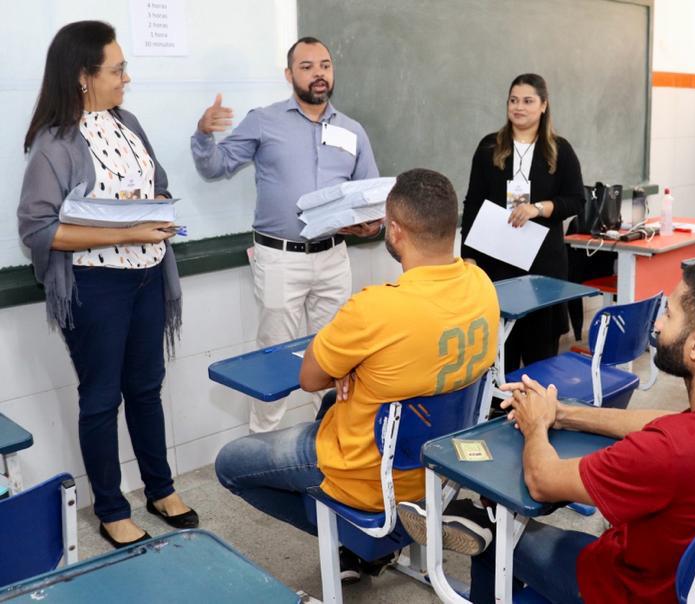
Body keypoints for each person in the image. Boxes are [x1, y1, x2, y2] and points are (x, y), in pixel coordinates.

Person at [401, 261, 695, 603]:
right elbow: (665, 424)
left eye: (670, 315)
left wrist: (537, 423)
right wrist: (564, 413)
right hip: (692, 586)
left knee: (495, 524)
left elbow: (542, 481)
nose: (657, 324)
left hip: (623, 589)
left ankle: (479, 522)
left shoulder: (668, 452)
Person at [215, 169, 499, 584]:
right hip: (439, 463)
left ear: (397, 231)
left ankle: (361, 536)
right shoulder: (481, 284)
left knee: (230, 463)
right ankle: (383, 534)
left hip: (364, 470)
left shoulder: (375, 309)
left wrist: (346, 369)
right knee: (333, 404)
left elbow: (311, 376)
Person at [18, 21, 197, 549]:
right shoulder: (56, 143)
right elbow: (38, 230)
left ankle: (160, 489)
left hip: (147, 278)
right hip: (95, 288)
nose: (126, 78)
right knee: (100, 399)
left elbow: (155, 185)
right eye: (117, 70)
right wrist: (127, 227)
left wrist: (157, 217)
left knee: (146, 389)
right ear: (82, 77)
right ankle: (112, 509)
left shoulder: (128, 122)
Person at [191, 36, 382, 433]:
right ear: (289, 74)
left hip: (333, 258)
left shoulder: (352, 130)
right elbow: (216, 167)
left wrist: (372, 225)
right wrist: (204, 135)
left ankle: (329, 441)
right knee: (275, 357)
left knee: (333, 354)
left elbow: (371, 197)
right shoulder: (264, 120)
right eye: (308, 66)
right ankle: (260, 445)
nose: (318, 74)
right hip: (281, 258)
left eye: (325, 65)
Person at [460, 73, 585, 371]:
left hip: (543, 269)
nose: (519, 107)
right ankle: (498, 412)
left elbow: (577, 200)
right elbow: (473, 202)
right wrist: (468, 256)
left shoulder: (560, 149)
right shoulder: (490, 147)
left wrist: (538, 209)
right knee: (499, 357)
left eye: (528, 101)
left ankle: (538, 414)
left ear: (543, 106)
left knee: (540, 357)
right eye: (513, 100)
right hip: (496, 265)